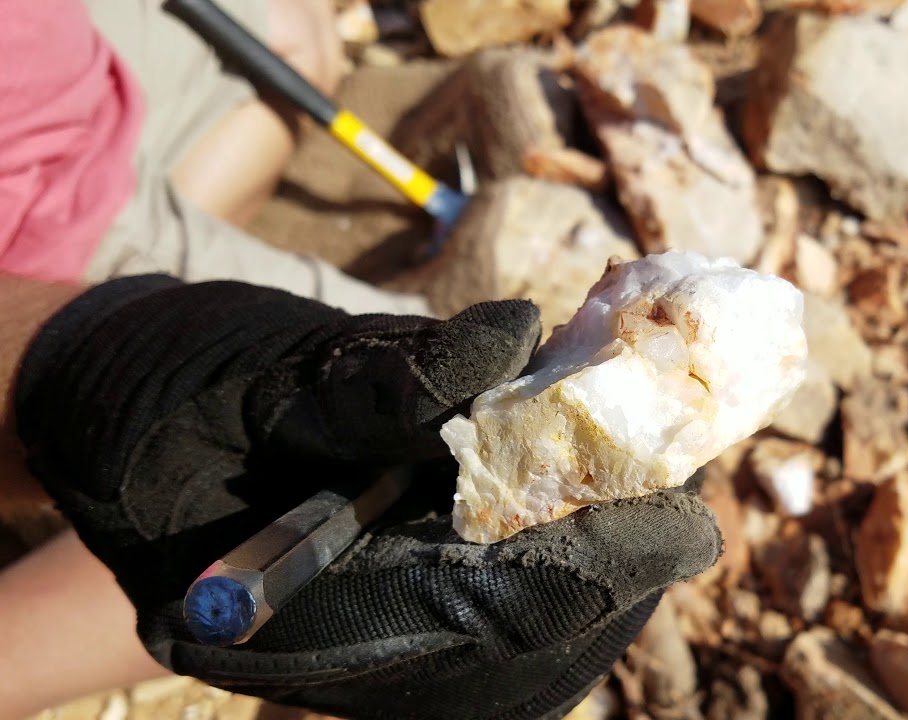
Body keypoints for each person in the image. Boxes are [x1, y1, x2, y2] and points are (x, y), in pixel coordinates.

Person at [0, 2, 724, 718]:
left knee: (301, 36)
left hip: (71, 80)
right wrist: (79, 352)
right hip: (30, 249)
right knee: (257, 518)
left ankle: (158, 232)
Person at [1, 0, 428, 316]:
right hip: (53, 222)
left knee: (303, 29)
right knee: (418, 358)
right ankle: (159, 283)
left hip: (74, 57)